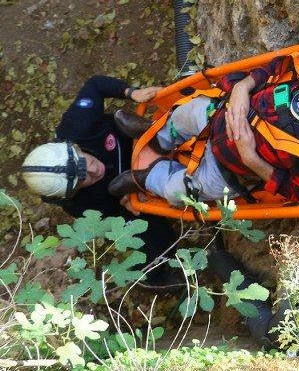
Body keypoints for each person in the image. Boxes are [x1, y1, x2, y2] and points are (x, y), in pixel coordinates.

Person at [107, 57, 299, 207]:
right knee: (188, 112)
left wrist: (252, 159)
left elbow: (298, 191)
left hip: (228, 170)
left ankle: (146, 178)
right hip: (219, 117)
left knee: (178, 191)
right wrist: (242, 89)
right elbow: (277, 64)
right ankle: (157, 136)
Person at [20, 75, 182, 287]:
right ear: (74, 191)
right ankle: (153, 277)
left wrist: (131, 93)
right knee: (159, 240)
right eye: (84, 178)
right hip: (135, 184)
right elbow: (115, 214)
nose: (95, 169)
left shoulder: (78, 127)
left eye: (85, 162)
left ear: (75, 148)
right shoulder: (83, 204)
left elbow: (94, 85)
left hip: (137, 136)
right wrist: (128, 203)